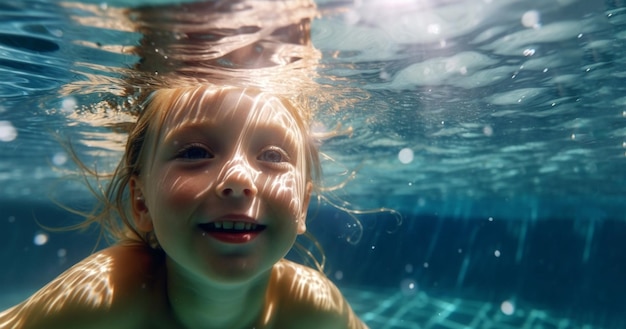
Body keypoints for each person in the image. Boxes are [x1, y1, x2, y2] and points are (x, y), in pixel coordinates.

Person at [0, 84, 368, 328]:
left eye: (272, 155)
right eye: (195, 152)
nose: (238, 178)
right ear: (141, 201)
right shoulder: (106, 297)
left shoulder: (315, 308)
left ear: (302, 205)